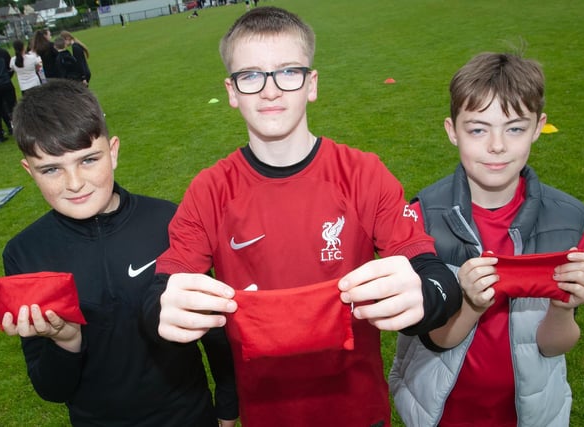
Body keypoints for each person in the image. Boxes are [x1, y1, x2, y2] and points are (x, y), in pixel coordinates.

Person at [143, 6, 461, 426]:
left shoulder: (362, 174)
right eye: (251, 75)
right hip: (267, 415)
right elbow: (159, 295)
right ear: (232, 90)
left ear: (311, 84)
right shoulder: (210, 191)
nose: (270, 91)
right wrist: (163, 309)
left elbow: (437, 278)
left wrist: (426, 295)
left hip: (359, 412)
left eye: (287, 72)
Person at [0, 79, 238, 426]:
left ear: (113, 151)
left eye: (88, 160)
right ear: (29, 170)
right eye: (51, 169)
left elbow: (215, 325)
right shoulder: (25, 253)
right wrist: (65, 342)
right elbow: (52, 389)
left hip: (189, 415)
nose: (74, 183)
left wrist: (228, 404)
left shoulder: (167, 221)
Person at [389, 52, 584, 427]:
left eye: (515, 128)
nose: (497, 146)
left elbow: (552, 346)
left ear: (539, 126)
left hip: (531, 415)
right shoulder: (422, 217)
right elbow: (437, 340)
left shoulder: (565, 220)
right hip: (443, 412)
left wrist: (566, 306)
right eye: (478, 129)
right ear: (452, 130)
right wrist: (469, 302)